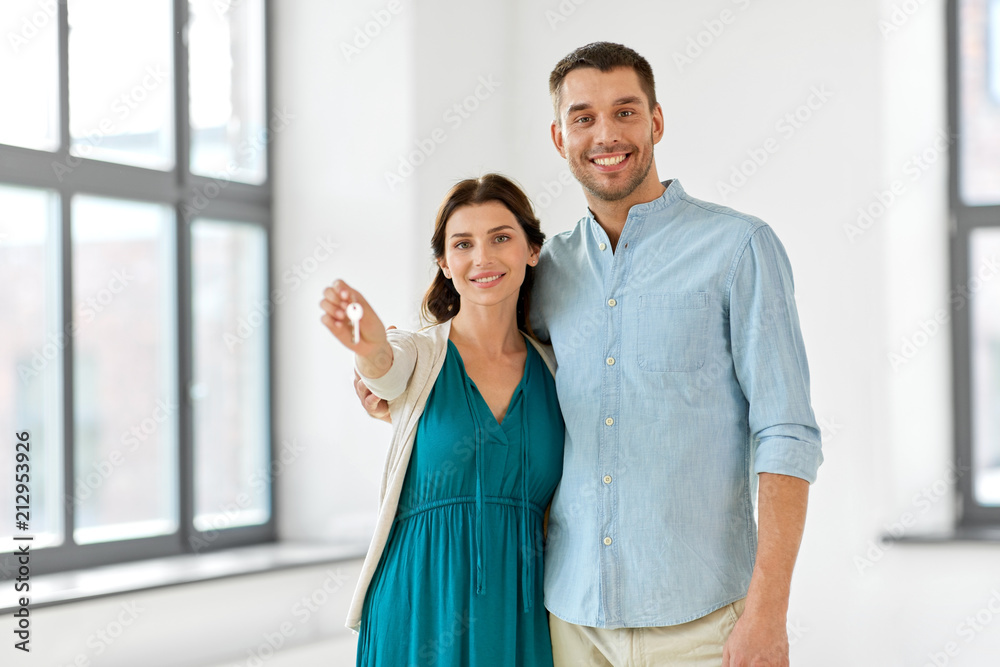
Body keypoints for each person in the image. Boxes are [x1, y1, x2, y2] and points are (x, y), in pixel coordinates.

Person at [356, 43, 823, 667]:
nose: (606, 134)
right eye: (583, 118)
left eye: (625, 112)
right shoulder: (547, 272)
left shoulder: (739, 251)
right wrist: (397, 391)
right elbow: (481, 353)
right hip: (568, 624)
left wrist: (769, 612)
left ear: (656, 121)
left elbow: (787, 433)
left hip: (702, 622)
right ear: (559, 136)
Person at [323, 174, 565, 666]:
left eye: (501, 237)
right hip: (417, 604)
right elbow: (386, 374)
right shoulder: (421, 351)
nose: (483, 258)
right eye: (463, 244)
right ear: (444, 263)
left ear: (532, 250)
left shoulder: (558, 368)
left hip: (517, 611)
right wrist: (367, 345)